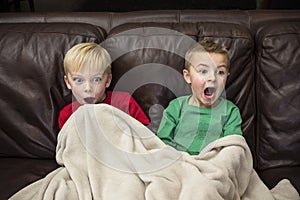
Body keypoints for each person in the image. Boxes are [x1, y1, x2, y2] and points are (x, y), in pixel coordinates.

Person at [157, 40, 242, 155]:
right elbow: (162, 142)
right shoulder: (176, 107)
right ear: (188, 77)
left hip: (213, 164)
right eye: (203, 71)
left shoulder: (230, 111)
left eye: (220, 72)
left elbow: (233, 147)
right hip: (180, 162)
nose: (212, 78)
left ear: (227, 76)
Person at [58, 42, 150, 129]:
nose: (88, 88)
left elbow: (145, 136)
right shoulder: (66, 115)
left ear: (108, 81)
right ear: (68, 83)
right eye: (79, 80)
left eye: (96, 80)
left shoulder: (124, 102)